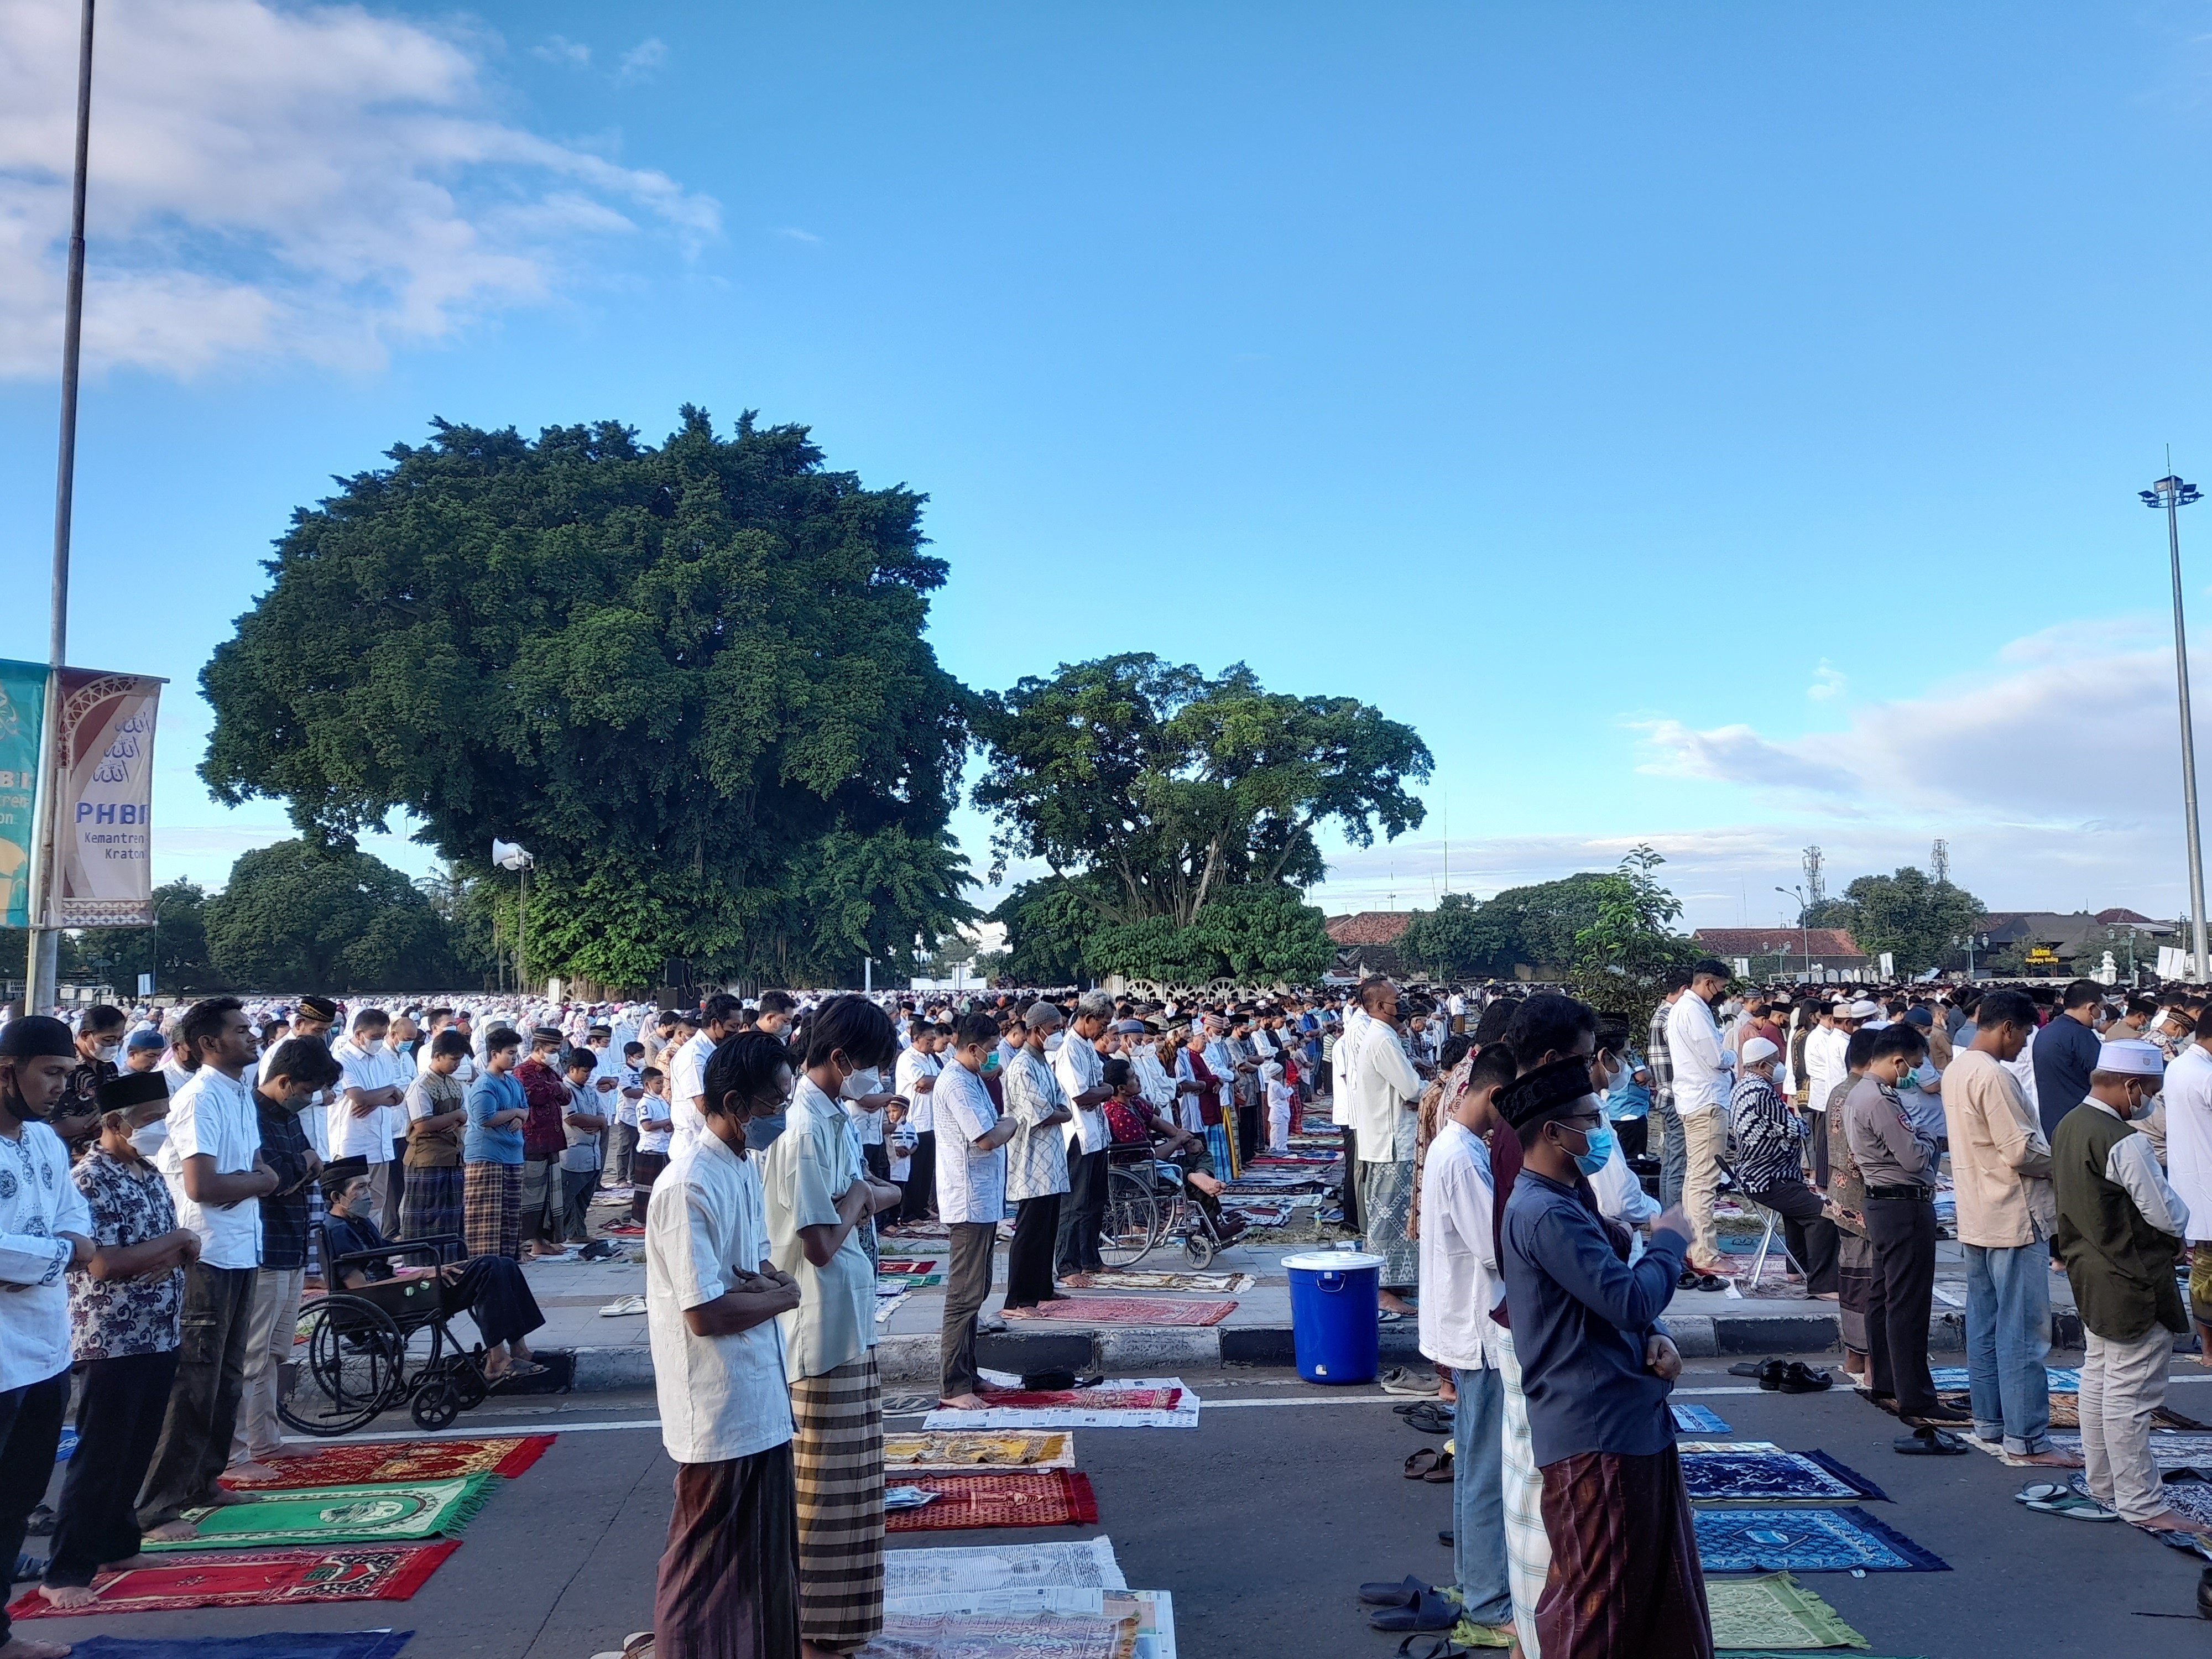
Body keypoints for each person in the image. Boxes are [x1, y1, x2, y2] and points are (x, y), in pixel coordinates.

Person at [1497, 1057, 1706, 1659]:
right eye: (1591, 1120)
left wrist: (1654, 1334)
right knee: (1599, 1611)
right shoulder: (1542, 1212)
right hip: (1597, 1431)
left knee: (1646, 1597)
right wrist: (1669, 1240)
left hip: (1624, 1419)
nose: (1603, 1132)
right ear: (1551, 1133)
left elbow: (1618, 1296)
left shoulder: (1566, 1197)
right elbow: (1628, 1295)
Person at [645, 1026, 804, 1659]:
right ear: (735, 1104)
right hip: (715, 1399)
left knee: (764, 1559)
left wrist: (765, 1294)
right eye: (774, 1107)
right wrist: (779, 1298)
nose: (780, 1119)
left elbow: (759, 1272)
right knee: (703, 1561)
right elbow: (707, 1312)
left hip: (759, 1387)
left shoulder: (740, 1164)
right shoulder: (687, 1184)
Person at [765, 1005, 903, 1657]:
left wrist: (865, 1197)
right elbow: (819, 1241)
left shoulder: (833, 1118)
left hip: (848, 1319)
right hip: (818, 1329)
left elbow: (866, 1194)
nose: (873, 1076)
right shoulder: (802, 1128)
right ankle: (817, 1632)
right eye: (868, 1061)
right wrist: (863, 1199)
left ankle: (840, 1630)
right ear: (842, 1059)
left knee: (853, 1490)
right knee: (825, 1494)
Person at [41, 1073, 196, 1613]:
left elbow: (178, 1248)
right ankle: (66, 1569)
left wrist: (174, 1248)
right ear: (114, 1123)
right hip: (111, 1337)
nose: (161, 1129)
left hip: (158, 1328)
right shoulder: (90, 1180)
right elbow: (105, 1263)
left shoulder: (149, 1171)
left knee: (135, 1448)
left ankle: (116, 1545)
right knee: (101, 1455)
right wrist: (175, 1243)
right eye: (152, 1119)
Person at [138, 998, 277, 1541]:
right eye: (241, 1031)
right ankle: (156, 1507)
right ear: (209, 1044)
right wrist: (261, 1183)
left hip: (242, 1247)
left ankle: (202, 1481)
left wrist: (258, 1180)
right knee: (195, 1380)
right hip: (208, 1252)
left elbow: (255, 1169)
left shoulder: (238, 1092)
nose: (253, 1036)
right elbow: (204, 1186)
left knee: (227, 1377)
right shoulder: (199, 1098)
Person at [2052, 1039, 2198, 1530]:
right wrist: (2181, 1235)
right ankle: (2142, 1502)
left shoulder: (2070, 1124)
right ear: (2132, 1085)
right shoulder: (2123, 1139)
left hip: (2090, 1268)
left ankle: (2105, 1485)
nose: (2149, 1101)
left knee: (2100, 1379)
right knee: (2131, 1395)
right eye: (2148, 1090)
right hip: (2131, 1273)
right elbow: (2164, 1211)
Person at [1415, 1042, 1519, 1647]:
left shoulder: (1457, 1150)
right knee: (1483, 1469)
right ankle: (1487, 1598)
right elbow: (1493, 1248)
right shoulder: (1462, 1157)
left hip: (1463, 1320)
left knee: (1472, 1464)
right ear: (1494, 1096)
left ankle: (1470, 1580)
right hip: (1476, 1328)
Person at [1940, 989, 2070, 1465]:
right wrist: (2067, 1161)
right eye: (2025, 1035)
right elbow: (2020, 1151)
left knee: (1986, 1324)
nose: (2024, 1047)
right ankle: (2027, 1438)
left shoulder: (1958, 1069)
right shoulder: (1993, 1075)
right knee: (2021, 1332)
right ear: (2008, 1028)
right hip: (2013, 1214)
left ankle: (1991, 1422)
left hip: (1978, 1212)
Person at [0, 1018, 96, 1659]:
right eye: (51, 1073)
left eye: (68, 1074)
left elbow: (79, 1230)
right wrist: (57, 1254)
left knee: (18, 1501)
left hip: (45, 1349)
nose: (62, 1087)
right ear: (8, 1070)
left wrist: (40, 1259)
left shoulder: (43, 1142)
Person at [314, 1157, 547, 1385]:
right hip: (390, 1301)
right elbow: (361, 1289)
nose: (368, 1193)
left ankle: (519, 1350)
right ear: (337, 1197)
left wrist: (425, 1269)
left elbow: (388, 1251)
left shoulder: (359, 1223)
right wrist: (420, 1276)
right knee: (489, 1269)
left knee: (503, 1263)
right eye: (361, 1188)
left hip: (400, 1290)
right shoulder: (338, 1231)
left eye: (368, 1185)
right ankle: (497, 1360)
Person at [1842, 1023, 1963, 1428]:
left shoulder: (1861, 1092)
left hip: (1883, 1203)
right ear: (1897, 1060)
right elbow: (1914, 1157)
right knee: (1907, 1302)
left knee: (1884, 1294)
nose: (1910, 1073)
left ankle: (1889, 1382)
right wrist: (1930, 1139)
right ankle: (1915, 1394)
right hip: (1902, 1205)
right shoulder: (1880, 1098)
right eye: (1910, 1065)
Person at [230, 1038, 337, 1479]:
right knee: (252, 1355)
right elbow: (273, 1179)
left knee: (275, 1353)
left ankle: (266, 1440)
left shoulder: (288, 1118)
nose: (309, 1099)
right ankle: (236, 1454)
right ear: (285, 1081)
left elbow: (307, 1164)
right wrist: (301, 1166)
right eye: (306, 1090)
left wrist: (302, 1166)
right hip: (265, 1246)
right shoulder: (252, 1116)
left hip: (292, 1244)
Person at [934, 1013, 1017, 1409]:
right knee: (964, 1294)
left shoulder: (973, 1078)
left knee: (978, 1288)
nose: (994, 1056)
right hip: (967, 1199)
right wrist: (1011, 1125)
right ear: (972, 1048)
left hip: (982, 1199)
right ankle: (953, 1385)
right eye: (991, 1049)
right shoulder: (956, 1083)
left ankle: (968, 1371)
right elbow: (985, 1138)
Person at [1729, 1036, 1838, 1297]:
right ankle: (1822, 1284)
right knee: (1823, 1217)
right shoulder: (1761, 1092)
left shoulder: (1741, 1087)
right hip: (1768, 1178)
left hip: (1765, 1175)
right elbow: (1794, 1129)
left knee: (1797, 1213)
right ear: (1763, 1065)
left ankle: (1796, 1269)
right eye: (1776, 1062)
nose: (1779, 1067)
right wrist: (1800, 1125)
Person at [1345, 977, 1425, 1319]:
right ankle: (1382, 1290)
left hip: (1389, 1138)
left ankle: (1397, 1281)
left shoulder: (1384, 1035)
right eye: (1397, 1000)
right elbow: (1410, 1088)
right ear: (1379, 1006)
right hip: (1392, 1141)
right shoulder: (1381, 1038)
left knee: (1399, 1215)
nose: (1402, 1005)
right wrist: (1436, 1087)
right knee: (1387, 1219)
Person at [1664, 959, 1734, 1280]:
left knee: (1696, 1179)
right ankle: (1704, 1253)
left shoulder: (1684, 1008)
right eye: (1721, 987)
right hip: (1705, 1101)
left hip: (1696, 1100)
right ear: (1707, 983)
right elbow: (1716, 1058)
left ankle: (1696, 1248)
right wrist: (1734, 1053)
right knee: (1704, 1181)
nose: (1722, 994)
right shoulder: (1693, 1010)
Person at [1001, 1008, 1073, 1314]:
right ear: (1037, 1028)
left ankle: (1044, 1287)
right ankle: (1018, 1299)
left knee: (1048, 1228)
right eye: (1054, 1027)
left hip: (1052, 1158)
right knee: (1029, 1232)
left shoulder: (1043, 1062)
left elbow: (1064, 1104)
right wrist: (1059, 1114)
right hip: (1030, 1160)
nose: (1057, 1032)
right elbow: (1042, 1114)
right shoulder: (1021, 1067)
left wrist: (1059, 1114)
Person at [1821, 1028, 1879, 1383]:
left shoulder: (1838, 1091)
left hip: (1841, 1198)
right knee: (1870, 1280)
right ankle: (1872, 1360)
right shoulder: (1865, 1093)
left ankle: (1854, 1356)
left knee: (1852, 1276)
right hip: (1864, 1199)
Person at [1053, 993, 1117, 1281]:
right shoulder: (1068, 1050)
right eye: (1102, 1024)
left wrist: (1103, 1092)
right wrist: (1104, 1092)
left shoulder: (1089, 1048)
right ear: (1088, 1018)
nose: (1104, 1031)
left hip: (1098, 1133)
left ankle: (1091, 1257)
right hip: (1079, 1134)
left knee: (1096, 1200)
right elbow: (1081, 1095)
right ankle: (1067, 1265)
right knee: (1075, 1203)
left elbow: (1102, 1086)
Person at [2163, 1005, 2212, 1366]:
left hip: (2191, 1180)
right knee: (2206, 1273)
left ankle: (2207, 1346)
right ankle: (2209, 1348)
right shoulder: (2203, 1074)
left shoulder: (2181, 1065)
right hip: (2205, 1180)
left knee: (2203, 1269)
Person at [332, 1008, 408, 1232]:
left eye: (382, 1036)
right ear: (358, 1034)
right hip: (354, 1145)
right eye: (374, 1037)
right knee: (352, 1204)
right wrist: (384, 1094)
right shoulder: (342, 1060)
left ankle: (371, 1250)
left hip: (381, 1144)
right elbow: (358, 1096)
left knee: (377, 1203)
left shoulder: (381, 1058)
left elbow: (397, 1098)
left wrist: (377, 1099)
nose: (379, 1041)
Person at [463, 1028, 529, 1262]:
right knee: (486, 1218)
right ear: (494, 1053)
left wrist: (520, 1115)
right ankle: (486, 1265)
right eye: (510, 1053)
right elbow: (486, 1118)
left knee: (510, 1217)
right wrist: (515, 1113)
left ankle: (508, 1262)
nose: (514, 1058)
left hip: (513, 1156)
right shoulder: (484, 1085)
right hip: (487, 1157)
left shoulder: (513, 1082)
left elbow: (526, 1110)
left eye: (515, 1053)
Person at [400, 1029, 471, 1243]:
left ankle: (449, 1264)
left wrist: (456, 1117)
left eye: (460, 1059)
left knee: (451, 1217)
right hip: (427, 1159)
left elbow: (465, 1115)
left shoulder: (453, 1083)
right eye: (453, 1059)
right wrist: (455, 1116)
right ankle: (422, 1267)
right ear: (438, 1056)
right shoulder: (420, 1086)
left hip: (452, 1157)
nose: (457, 1064)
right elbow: (422, 1124)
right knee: (426, 1216)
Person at [2033, 979, 2106, 1141]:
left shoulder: (2046, 1032)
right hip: (2081, 1122)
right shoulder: (2081, 1035)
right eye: (2101, 1008)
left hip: (2052, 1121)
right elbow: (2104, 1077)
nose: (2102, 1015)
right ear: (2091, 1008)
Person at [1645, 972, 1689, 1209]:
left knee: (1671, 1160)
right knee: (1677, 1164)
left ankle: (1667, 1215)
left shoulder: (1661, 1013)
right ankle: (1674, 1221)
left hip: (1665, 1094)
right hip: (1675, 1096)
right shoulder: (1671, 1016)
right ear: (1684, 990)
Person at [559, 1046, 608, 1245]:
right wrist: (596, 1122)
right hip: (573, 1154)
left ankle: (578, 1232)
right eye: (585, 1071)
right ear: (572, 1069)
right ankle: (555, 1236)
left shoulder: (589, 1091)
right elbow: (572, 1118)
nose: (588, 1076)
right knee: (566, 1199)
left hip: (592, 1153)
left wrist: (597, 1123)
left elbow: (602, 1116)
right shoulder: (565, 1091)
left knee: (583, 1200)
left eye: (590, 1072)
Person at [893, 1022, 941, 1224]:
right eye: (929, 1041)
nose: (932, 1045)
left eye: (933, 1041)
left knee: (927, 1169)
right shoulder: (907, 1058)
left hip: (931, 1120)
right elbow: (922, 1082)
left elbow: (937, 1079)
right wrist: (929, 1082)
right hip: (913, 1121)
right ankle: (908, 1213)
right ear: (916, 1039)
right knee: (913, 1169)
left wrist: (934, 1081)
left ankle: (921, 1208)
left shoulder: (931, 1059)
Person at [633, 1066, 674, 1225]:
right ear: (647, 1085)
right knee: (646, 1188)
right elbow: (647, 1125)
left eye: (662, 1083)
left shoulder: (662, 1102)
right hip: (649, 1149)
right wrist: (667, 1122)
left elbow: (665, 1122)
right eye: (658, 1083)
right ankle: (641, 1219)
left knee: (661, 1186)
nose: (661, 1086)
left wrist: (669, 1126)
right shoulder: (644, 1104)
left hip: (663, 1147)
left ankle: (658, 1218)